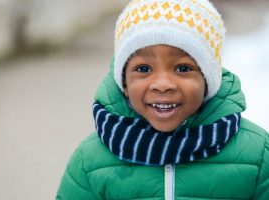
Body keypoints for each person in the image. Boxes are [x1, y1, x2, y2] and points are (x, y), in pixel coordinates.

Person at [56, 0, 269, 199]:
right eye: (143, 68)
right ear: (124, 82)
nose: (163, 83)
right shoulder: (90, 161)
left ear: (208, 78)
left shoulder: (257, 155)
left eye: (183, 68)